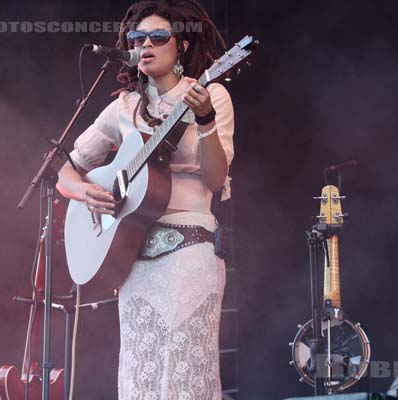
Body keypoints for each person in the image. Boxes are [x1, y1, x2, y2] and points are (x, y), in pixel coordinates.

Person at [56, 1, 234, 398]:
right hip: (134, 259)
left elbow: (216, 178)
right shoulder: (124, 107)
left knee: (182, 373)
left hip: (190, 250)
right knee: (141, 376)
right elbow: (65, 170)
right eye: (138, 39)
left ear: (182, 46)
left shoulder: (211, 94)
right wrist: (86, 191)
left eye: (158, 37)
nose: (146, 45)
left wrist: (204, 120)